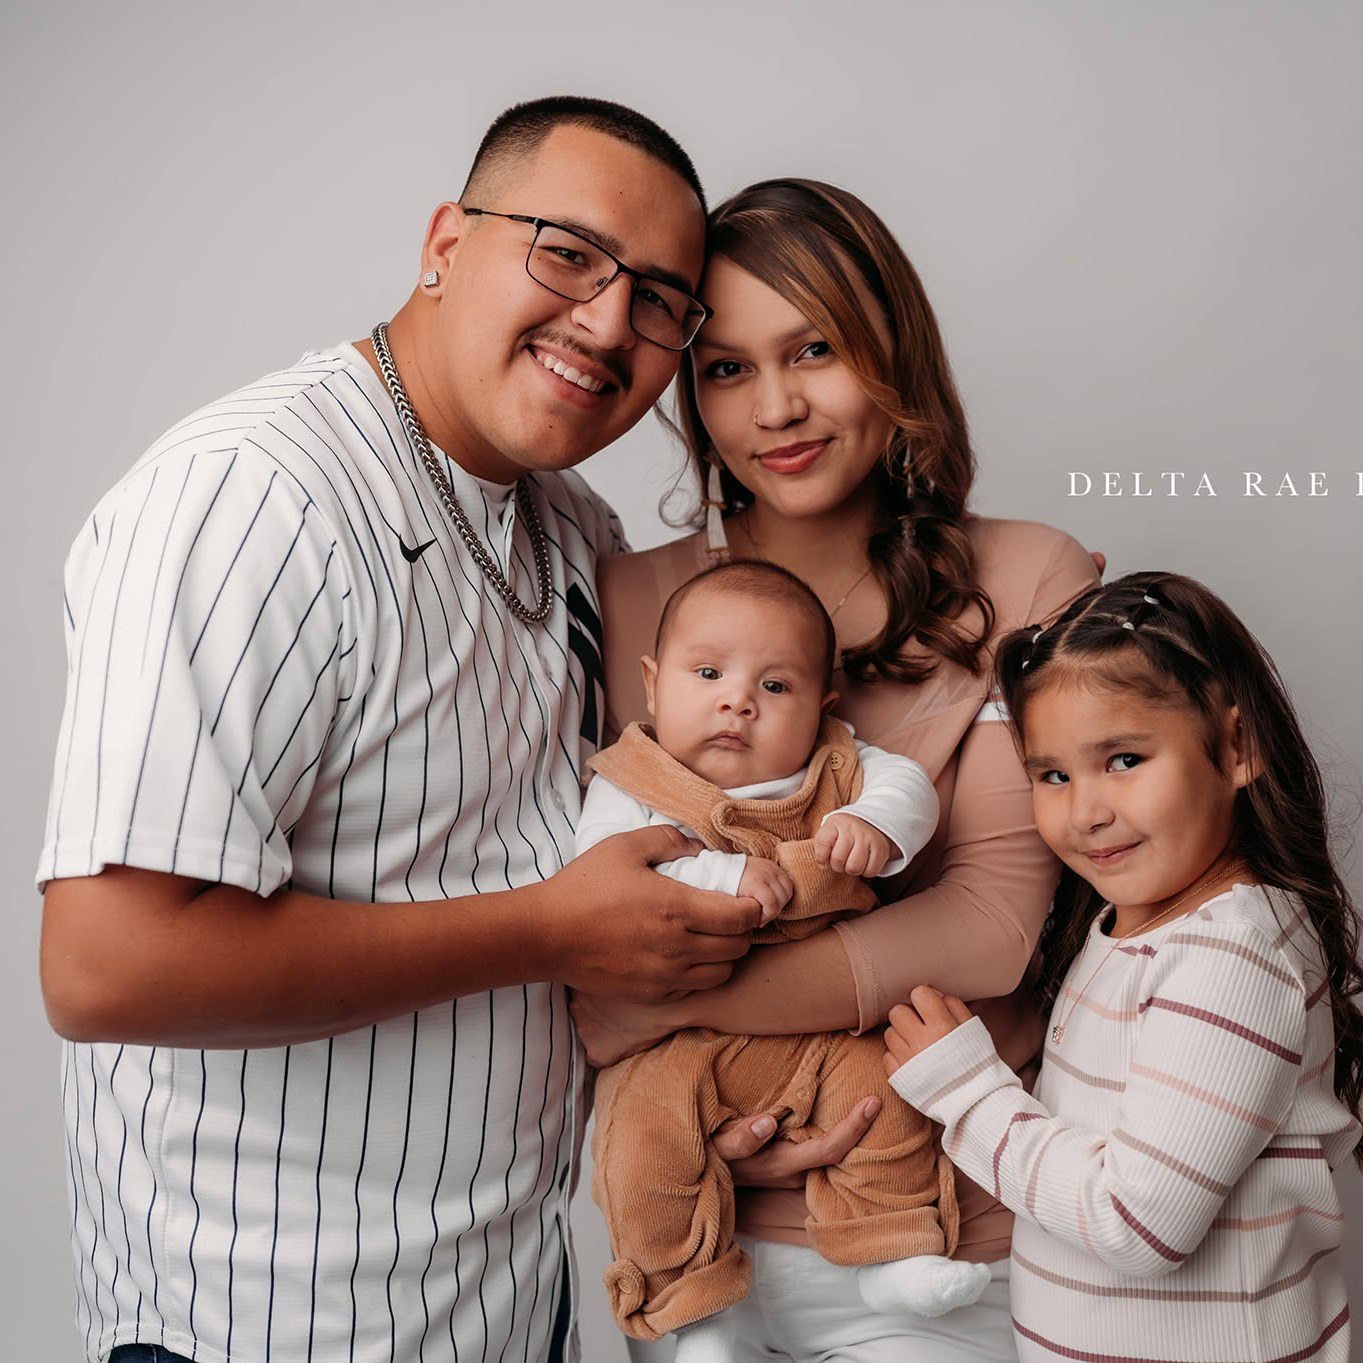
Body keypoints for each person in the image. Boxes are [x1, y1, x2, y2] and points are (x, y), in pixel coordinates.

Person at [35, 96, 766, 1363]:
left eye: (658, 300)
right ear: (444, 242)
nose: (606, 323)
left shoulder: (575, 530)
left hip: (504, 1307)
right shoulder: (252, 496)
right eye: (567, 252)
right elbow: (109, 966)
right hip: (268, 1331)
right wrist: (547, 929)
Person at [568, 178, 1101, 1361]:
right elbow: (620, 881)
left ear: (890, 351)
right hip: (700, 1219)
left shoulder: (1030, 580)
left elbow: (988, 929)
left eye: (814, 348)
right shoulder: (632, 600)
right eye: (726, 368)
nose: (777, 406)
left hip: (940, 1227)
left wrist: (660, 1002)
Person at [886, 571, 1361, 1363]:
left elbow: (1136, 1223)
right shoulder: (1126, 927)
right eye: (1053, 774)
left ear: (1237, 747)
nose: (1085, 810)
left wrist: (965, 1092)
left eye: (1124, 758)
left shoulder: (1231, 954)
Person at [579, 559, 991, 1360]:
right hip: (674, 1045)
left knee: (888, 1090)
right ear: (653, 685)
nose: (737, 700)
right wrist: (717, 873)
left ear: (821, 708)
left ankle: (890, 1249)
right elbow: (602, 876)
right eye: (708, 674)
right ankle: (695, 1308)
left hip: (822, 1023)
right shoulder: (633, 782)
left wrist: (877, 823)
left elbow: (908, 785)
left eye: (775, 687)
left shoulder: (837, 766)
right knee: (641, 1153)